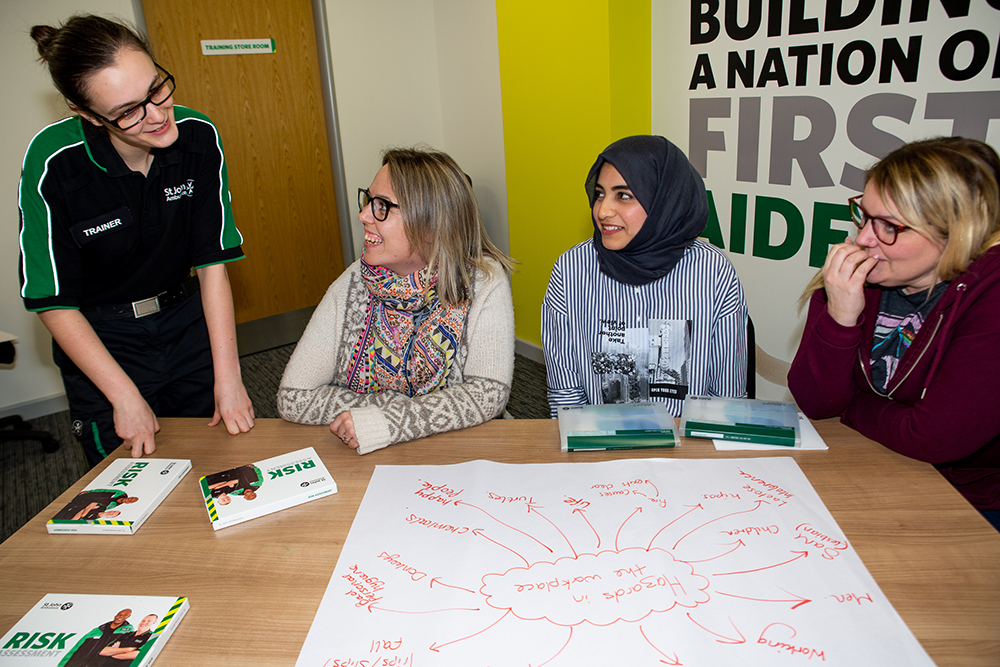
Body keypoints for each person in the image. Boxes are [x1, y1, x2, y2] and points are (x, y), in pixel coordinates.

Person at [18, 15, 254, 467]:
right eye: (128, 110)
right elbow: (52, 300)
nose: (157, 114)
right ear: (86, 113)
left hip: (187, 324)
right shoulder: (54, 164)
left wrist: (229, 377)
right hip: (106, 340)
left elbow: (211, 263)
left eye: (157, 88)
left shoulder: (199, 138)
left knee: (222, 465)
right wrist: (122, 395)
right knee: (131, 482)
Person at [788, 136, 1000, 525]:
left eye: (889, 226)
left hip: (972, 502)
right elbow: (817, 404)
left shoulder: (990, 291)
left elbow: (933, 437)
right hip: (867, 466)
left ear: (956, 231)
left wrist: (852, 405)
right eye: (865, 216)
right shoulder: (857, 274)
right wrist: (840, 315)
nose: (865, 238)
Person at [277, 147, 515, 453]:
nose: (363, 215)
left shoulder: (483, 280)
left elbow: (487, 394)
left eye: (382, 206)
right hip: (372, 455)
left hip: (466, 453)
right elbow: (294, 397)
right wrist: (390, 412)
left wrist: (385, 421)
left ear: (430, 221)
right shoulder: (353, 282)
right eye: (368, 201)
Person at [542, 135, 748, 417]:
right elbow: (566, 398)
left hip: (686, 448)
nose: (602, 210)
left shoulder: (712, 272)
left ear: (665, 199)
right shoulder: (572, 270)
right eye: (600, 193)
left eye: (623, 195)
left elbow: (726, 400)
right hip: (598, 445)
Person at [58, 608, 132, 667]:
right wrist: (62, 664)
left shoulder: (127, 633)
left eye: (125, 615)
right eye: (119, 614)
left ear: (128, 617)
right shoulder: (97, 630)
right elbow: (77, 647)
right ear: (115, 616)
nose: (121, 617)